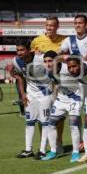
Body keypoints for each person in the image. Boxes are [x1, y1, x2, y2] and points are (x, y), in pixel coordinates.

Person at [30, 16, 66, 154]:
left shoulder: (64, 40)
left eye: (52, 25)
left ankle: (58, 142)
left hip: (58, 83)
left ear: (57, 26)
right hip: (42, 85)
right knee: (42, 116)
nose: (49, 28)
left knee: (59, 115)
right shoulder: (36, 41)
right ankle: (44, 144)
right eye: (47, 25)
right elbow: (31, 60)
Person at [13, 41, 54, 159]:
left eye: (22, 50)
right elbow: (20, 77)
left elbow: (54, 59)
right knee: (29, 122)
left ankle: (42, 150)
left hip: (45, 93)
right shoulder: (16, 61)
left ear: (29, 50)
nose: (19, 53)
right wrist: (23, 94)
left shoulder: (41, 58)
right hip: (31, 95)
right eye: (18, 50)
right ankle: (28, 150)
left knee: (45, 122)